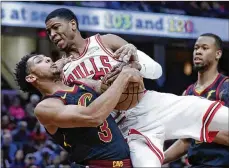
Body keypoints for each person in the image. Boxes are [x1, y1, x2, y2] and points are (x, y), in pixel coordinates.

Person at [45, 8, 229, 167]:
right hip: (125, 129)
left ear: (72, 24)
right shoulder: (62, 72)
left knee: (222, 116)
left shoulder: (106, 41)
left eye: (55, 27)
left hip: (150, 104)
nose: (52, 34)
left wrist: (137, 64)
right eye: (48, 32)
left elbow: (156, 70)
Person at [14, 54, 145, 167]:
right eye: (39, 61)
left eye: (46, 58)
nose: (48, 58)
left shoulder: (82, 84)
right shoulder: (45, 107)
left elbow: (114, 88)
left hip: (128, 162)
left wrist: (131, 67)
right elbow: (93, 117)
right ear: (31, 78)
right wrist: (124, 76)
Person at [164, 33, 229, 167]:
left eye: (205, 48)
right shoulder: (187, 93)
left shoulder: (225, 88)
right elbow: (185, 142)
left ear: (218, 54)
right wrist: (156, 159)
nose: (198, 52)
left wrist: (198, 125)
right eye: (196, 48)